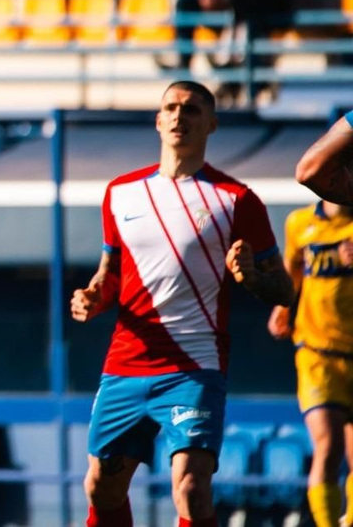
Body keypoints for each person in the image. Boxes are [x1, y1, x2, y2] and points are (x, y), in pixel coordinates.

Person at [70, 82, 293, 527]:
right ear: (158, 121)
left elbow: (285, 291)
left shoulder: (237, 201)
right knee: (101, 486)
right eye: (171, 108)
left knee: (191, 488)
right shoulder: (120, 193)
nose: (179, 117)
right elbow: (109, 273)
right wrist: (92, 298)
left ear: (211, 124)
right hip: (126, 364)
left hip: (194, 367)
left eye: (191, 110)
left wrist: (251, 278)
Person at [267, 198, 353, 527]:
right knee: (328, 444)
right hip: (318, 354)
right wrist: (282, 307)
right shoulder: (300, 222)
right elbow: (291, 270)